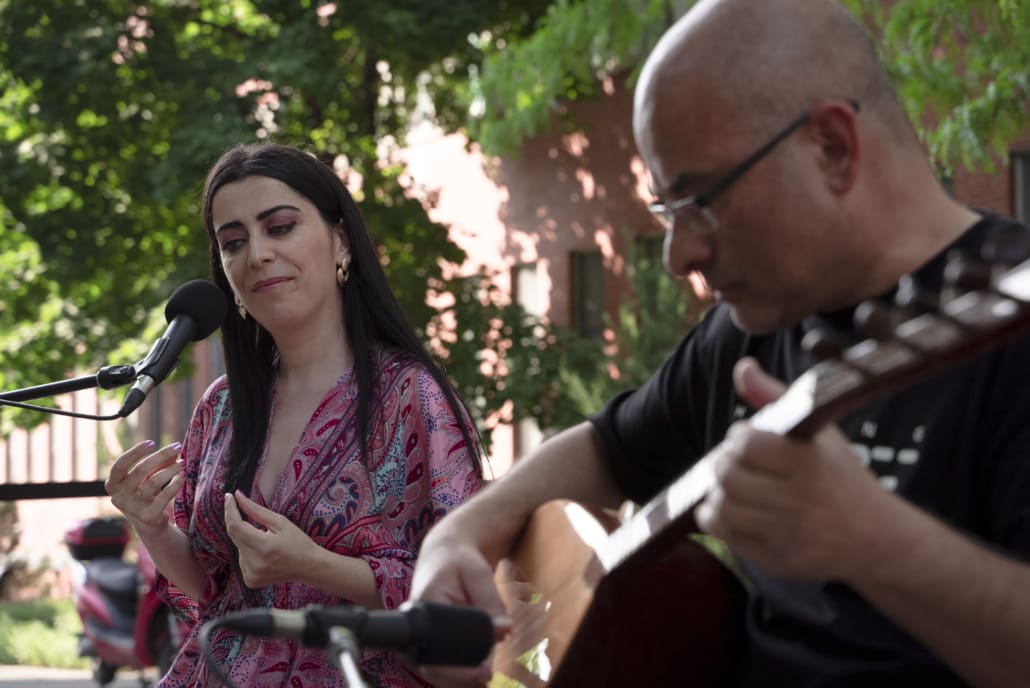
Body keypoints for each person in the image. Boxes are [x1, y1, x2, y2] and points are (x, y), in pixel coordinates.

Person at [408, 1, 1030, 686]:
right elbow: (608, 451)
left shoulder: (1010, 331)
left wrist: (873, 540)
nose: (679, 257)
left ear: (832, 147)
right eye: (667, 212)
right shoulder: (750, 329)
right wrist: (457, 536)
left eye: (700, 200)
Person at [104, 142, 485, 687]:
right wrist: (152, 526)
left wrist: (312, 564)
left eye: (279, 227)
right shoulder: (222, 406)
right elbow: (214, 590)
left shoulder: (412, 397)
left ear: (340, 241)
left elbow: (460, 595)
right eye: (233, 242)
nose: (257, 254)